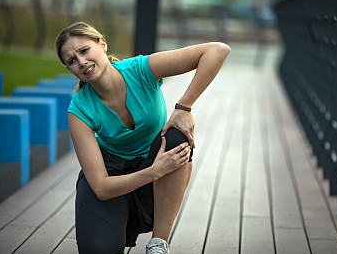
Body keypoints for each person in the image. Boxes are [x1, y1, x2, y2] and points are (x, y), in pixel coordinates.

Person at [55, 22, 230, 254]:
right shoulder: (79, 109)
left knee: (177, 137)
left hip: (152, 168)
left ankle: (158, 244)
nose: (81, 62)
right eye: (72, 61)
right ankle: (117, 222)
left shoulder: (141, 70)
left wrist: (184, 107)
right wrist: (154, 171)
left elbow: (217, 50)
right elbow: (101, 186)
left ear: (102, 44)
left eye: (84, 51)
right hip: (113, 179)